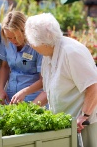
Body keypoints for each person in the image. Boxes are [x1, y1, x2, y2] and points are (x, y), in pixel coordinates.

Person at [24, 12, 97, 147]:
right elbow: (49, 91)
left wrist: (84, 116)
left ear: (43, 42)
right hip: (66, 125)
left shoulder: (71, 52)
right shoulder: (48, 54)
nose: (30, 45)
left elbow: (93, 86)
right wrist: (29, 110)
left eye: (31, 42)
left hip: (84, 125)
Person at [0, 11, 47, 106]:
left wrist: (24, 92)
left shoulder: (37, 45)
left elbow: (44, 80)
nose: (13, 41)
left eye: (16, 37)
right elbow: (4, 67)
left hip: (34, 99)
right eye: (9, 38)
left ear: (24, 31)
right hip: (11, 97)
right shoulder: (6, 41)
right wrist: (0, 89)